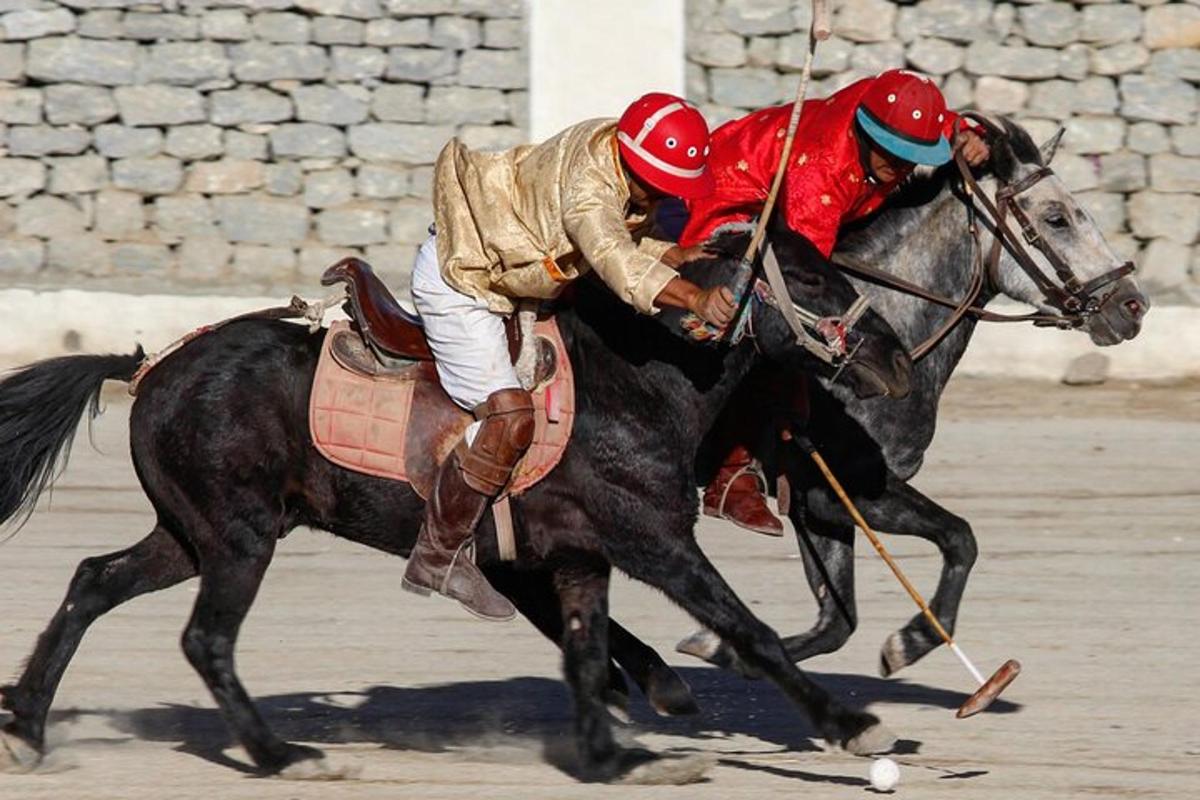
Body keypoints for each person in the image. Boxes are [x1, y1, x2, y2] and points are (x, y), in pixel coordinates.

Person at [403, 93, 734, 620]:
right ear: (637, 163)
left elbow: (624, 235)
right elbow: (610, 255)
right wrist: (694, 297)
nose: (670, 198)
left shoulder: (616, 152)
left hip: (514, 283)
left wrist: (675, 255)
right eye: (666, 186)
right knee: (508, 416)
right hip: (465, 281)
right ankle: (437, 556)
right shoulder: (587, 188)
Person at [679, 69, 991, 536]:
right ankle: (731, 472)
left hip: (797, 204)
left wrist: (969, 134)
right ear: (867, 131)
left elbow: (942, 124)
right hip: (726, 199)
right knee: (766, 325)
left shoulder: (901, 109)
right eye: (893, 153)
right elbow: (804, 287)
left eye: (913, 156)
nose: (902, 167)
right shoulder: (819, 172)